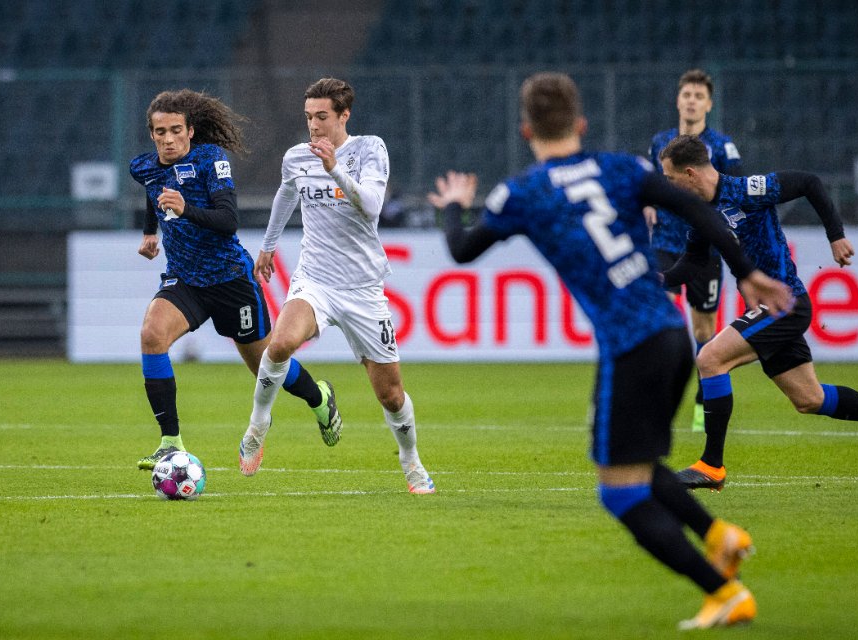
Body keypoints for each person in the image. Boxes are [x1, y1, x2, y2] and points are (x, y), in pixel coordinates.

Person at [429, 72, 794, 630]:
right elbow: (700, 210)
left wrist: (455, 204)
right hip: (671, 337)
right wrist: (745, 273)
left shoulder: (522, 192)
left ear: (526, 129)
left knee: (618, 493)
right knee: (636, 465)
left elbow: (459, 250)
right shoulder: (624, 168)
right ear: (581, 124)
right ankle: (720, 536)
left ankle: (723, 592)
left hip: (631, 347)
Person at [658, 133, 858, 491]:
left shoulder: (746, 190)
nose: (667, 187)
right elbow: (693, 261)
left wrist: (836, 235)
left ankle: (712, 464)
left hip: (784, 304)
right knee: (809, 399)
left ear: (690, 173)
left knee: (710, 359)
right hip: (767, 310)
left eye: (670, 179)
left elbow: (808, 182)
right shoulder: (702, 216)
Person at [239, 77, 435, 495]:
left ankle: (411, 460)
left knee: (391, 395)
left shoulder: (369, 149)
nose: (313, 125)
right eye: (308, 117)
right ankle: (258, 424)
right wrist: (268, 247)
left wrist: (334, 169)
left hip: (363, 289)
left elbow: (371, 207)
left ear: (344, 116)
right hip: (316, 281)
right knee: (279, 344)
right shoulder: (296, 157)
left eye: (322, 117)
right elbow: (285, 195)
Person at [129, 89, 272, 469]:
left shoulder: (211, 160)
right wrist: (150, 232)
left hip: (228, 278)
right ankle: (170, 442)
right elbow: (153, 189)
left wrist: (185, 208)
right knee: (151, 334)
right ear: (152, 134)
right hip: (185, 280)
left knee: (268, 370)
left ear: (191, 131)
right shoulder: (143, 166)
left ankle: (318, 397)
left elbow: (228, 222)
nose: (168, 138)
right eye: (160, 132)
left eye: (176, 130)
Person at [645, 69, 743, 432]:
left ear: (709, 104)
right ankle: (656, 398)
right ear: (678, 99)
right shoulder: (660, 142)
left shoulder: (722, 146)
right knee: (660, 317)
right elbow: (652, 183)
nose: (691, 100)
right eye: (686, 93)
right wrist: (647, 203)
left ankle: (705, 397)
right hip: (664, 243)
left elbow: (733, 190)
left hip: (704, 248)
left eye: (698, 96)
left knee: (704, 330)